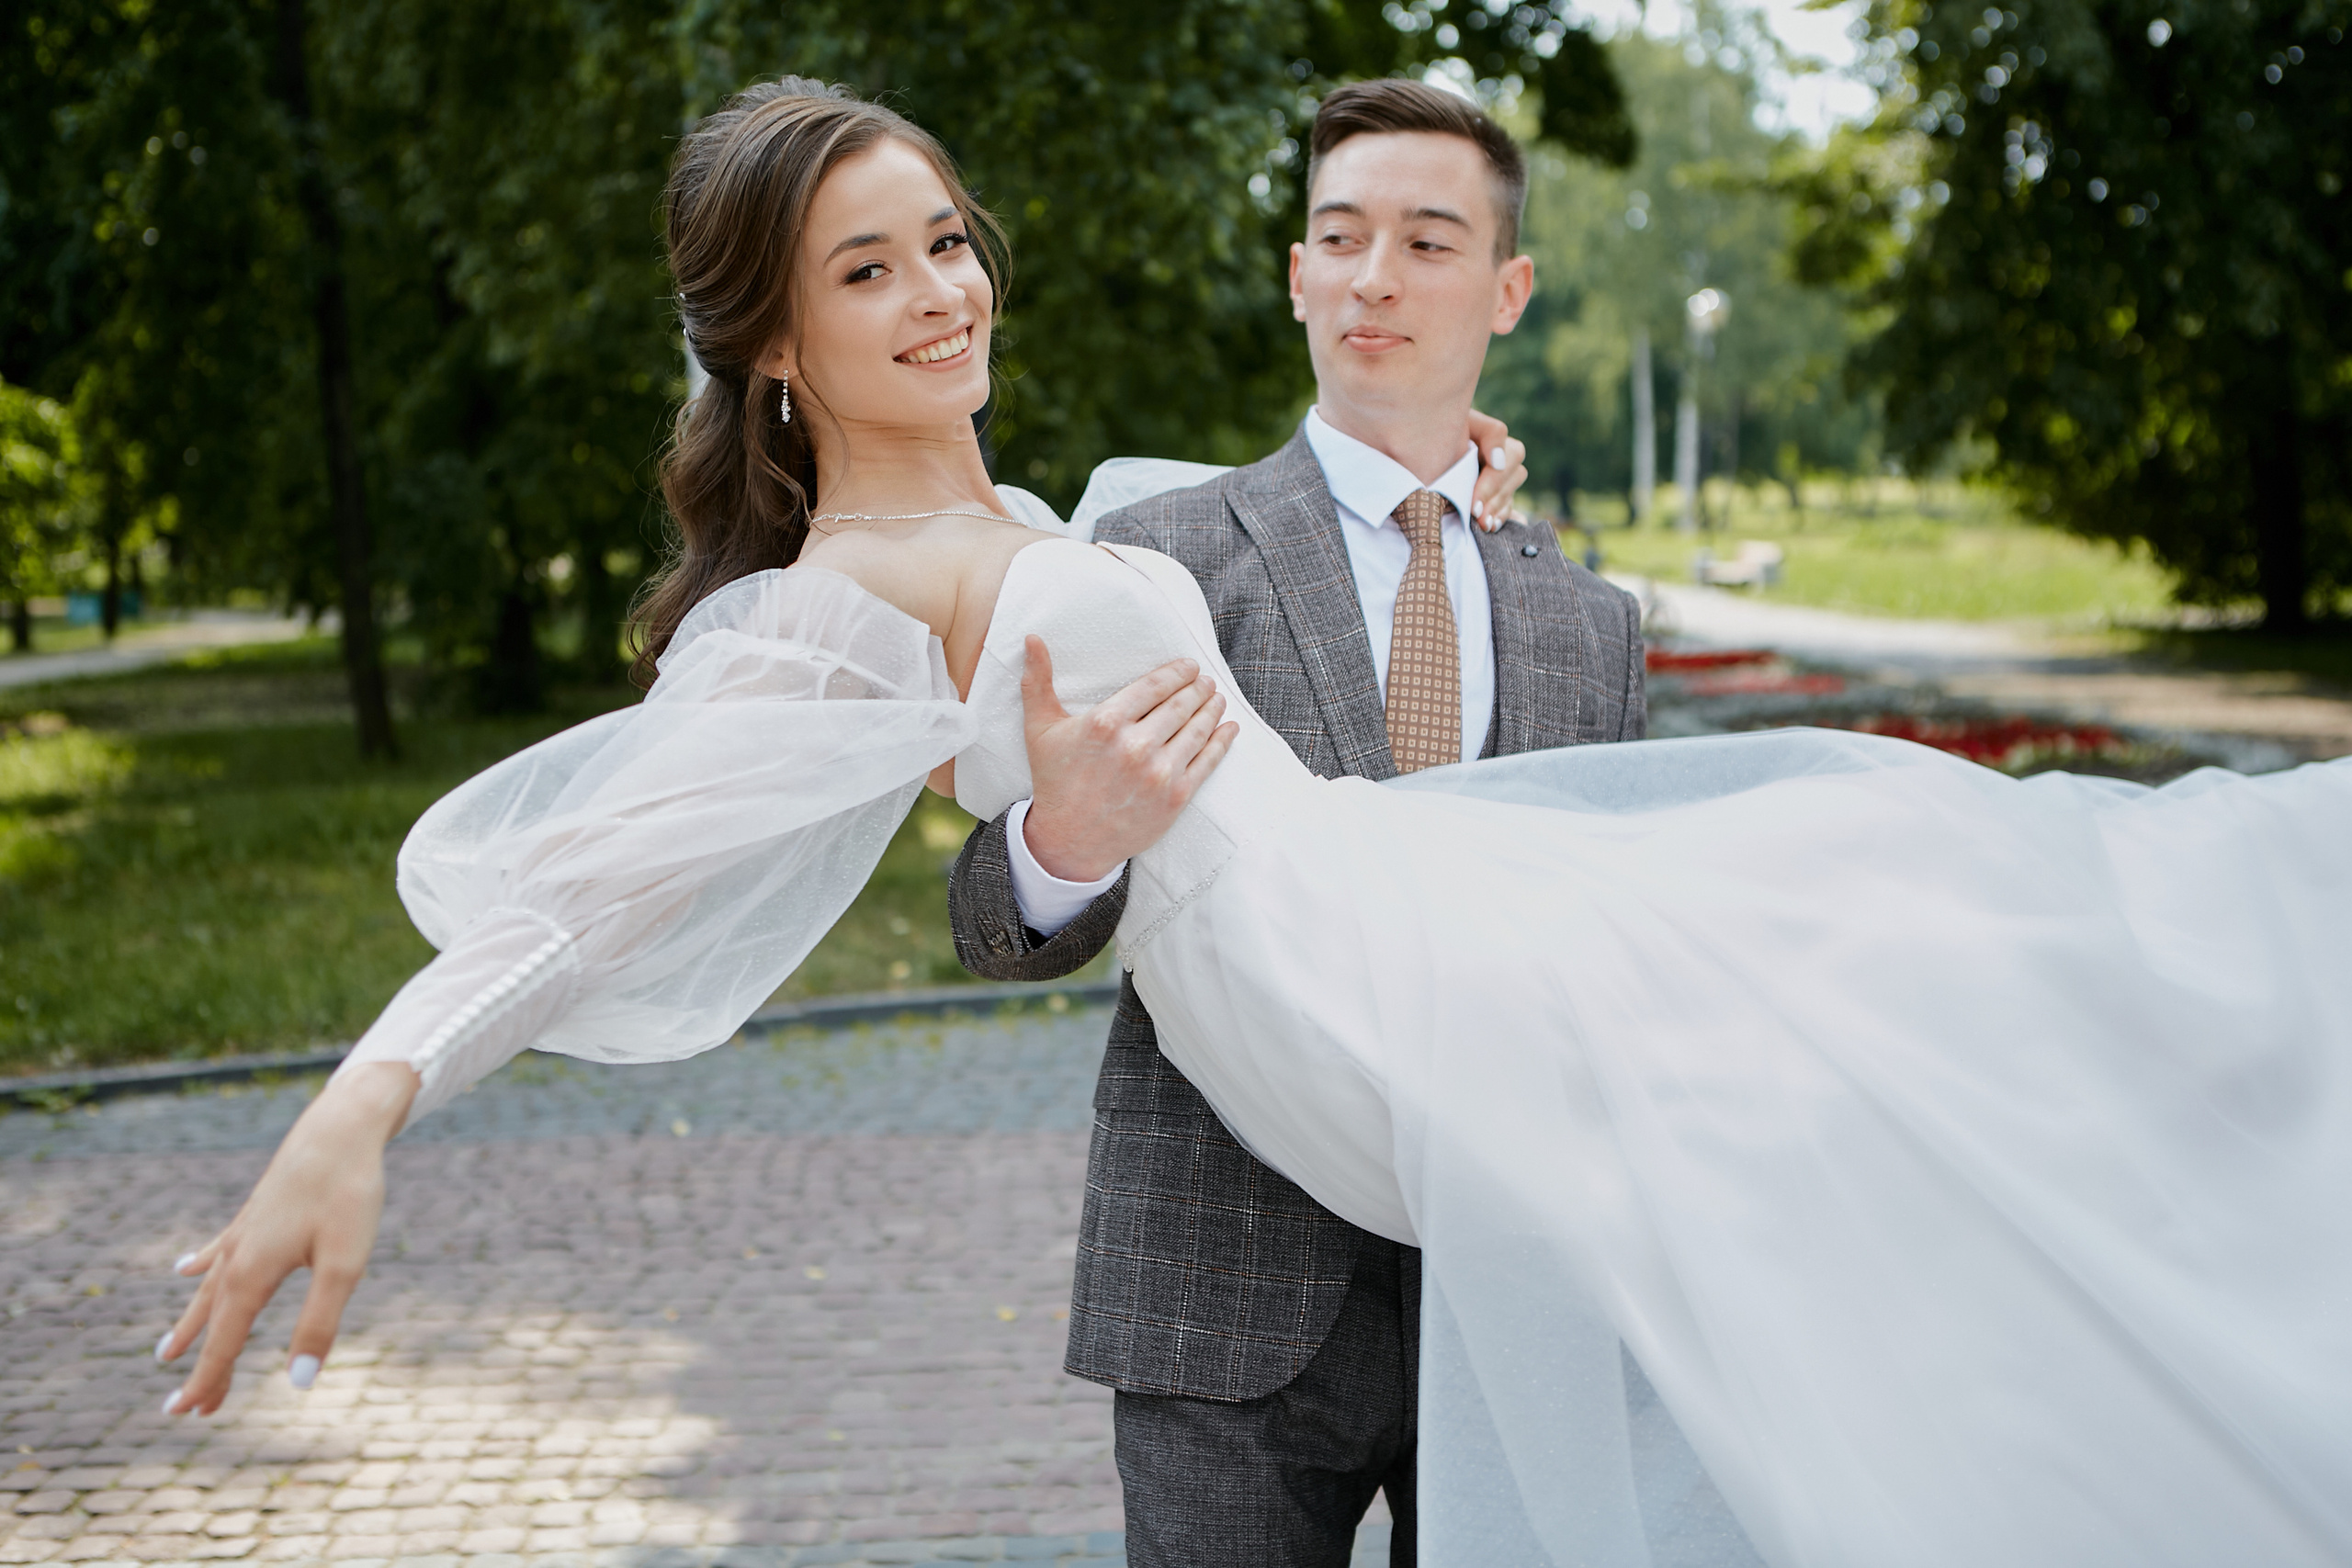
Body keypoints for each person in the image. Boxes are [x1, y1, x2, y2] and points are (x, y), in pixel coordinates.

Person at [154, 77, 2352, 1568]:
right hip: (1332, 1000)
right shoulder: (828, 605)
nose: (943, 295)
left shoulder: (1010, 510)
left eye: (946, 241)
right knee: (1929, 938)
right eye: (867, 273)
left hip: (1385, 914)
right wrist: (363, 1098)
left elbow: (1149, 543)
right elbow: (606, 870)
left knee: (1931, 934)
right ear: (772, 354)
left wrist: (1447, 474)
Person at [944, 77, 1640, 1568]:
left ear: (1509, 287)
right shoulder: (1151, 563)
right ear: (1297, 274)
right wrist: (1067, 838)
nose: (1376, 275)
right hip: (1223, 1284)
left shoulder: (1592, 626)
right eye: (1341, 235)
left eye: (1430, 241)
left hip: (1511, 1299)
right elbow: (986, 923)